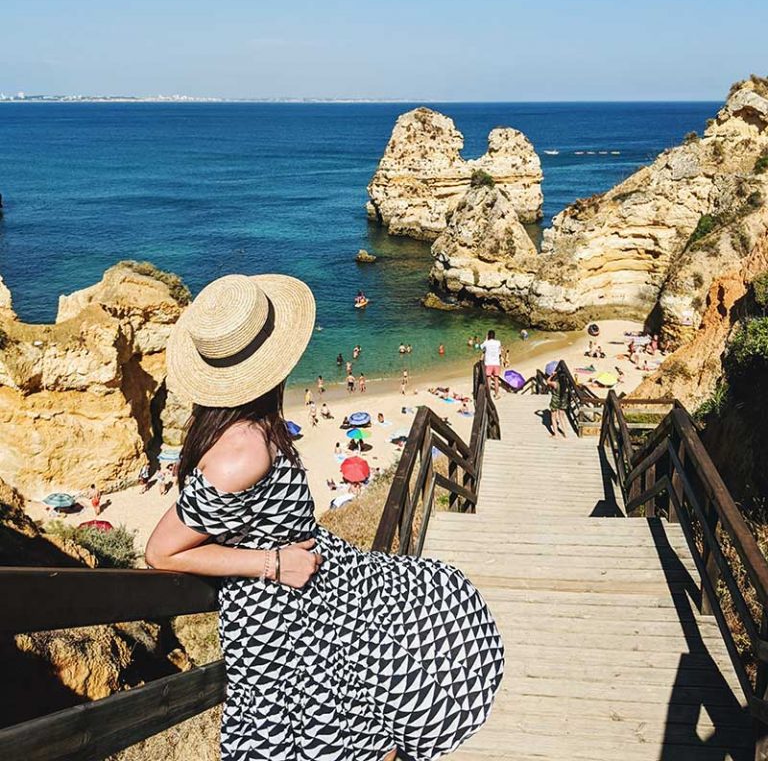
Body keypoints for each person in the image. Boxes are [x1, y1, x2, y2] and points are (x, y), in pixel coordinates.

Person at [146, 274, 503, 761]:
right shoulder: (241, 451)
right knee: (317, 735)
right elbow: (160, 551)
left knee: (358, 720)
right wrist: (271, 563)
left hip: (314, 602)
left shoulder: (242, 429)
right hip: (284, 622)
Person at [547, 367, 568, 439]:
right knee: (562, 417)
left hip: (555, 400)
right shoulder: (566, 384)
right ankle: (565, 433)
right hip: (563, 401)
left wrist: (552, 375)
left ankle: (556, 435)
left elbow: (548, 381)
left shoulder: (555, 384)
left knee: (553, 417)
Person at [480, 329, 502, 400]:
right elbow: (499, 351)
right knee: (496, 379)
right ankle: (496, 394)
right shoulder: (498, 342)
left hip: (488, 363)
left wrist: (486, 339)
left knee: (488, 379)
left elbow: (481, 347)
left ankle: (488, 395)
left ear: (488, 336)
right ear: (494, 336)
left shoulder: (486, 343)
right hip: (496, 363)